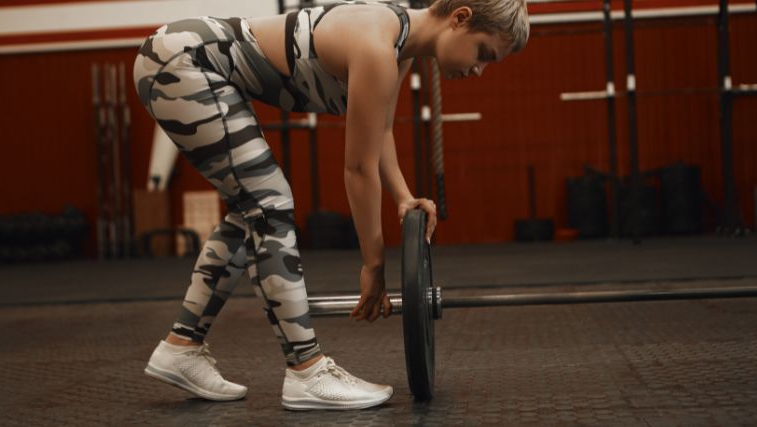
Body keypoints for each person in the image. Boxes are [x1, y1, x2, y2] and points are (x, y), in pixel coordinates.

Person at [133, 0, 529, 410]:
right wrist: (373, 265)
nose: (479, 69)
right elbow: (358, 168)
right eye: (483, 53)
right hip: (182, 59)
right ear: (460, 18)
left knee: (250, 209)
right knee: (269, 203)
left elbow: (380, 131)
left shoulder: (398, 44)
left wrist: (404, 196)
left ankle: (181, 347)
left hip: (182, 57)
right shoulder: (378, 46)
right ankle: (307, 371)